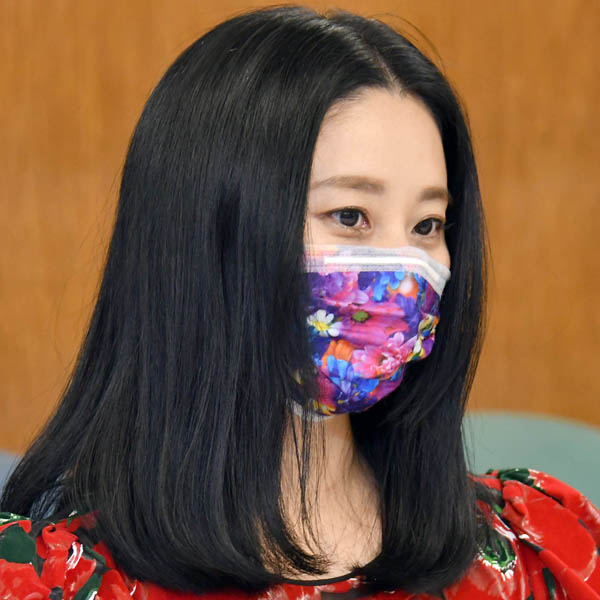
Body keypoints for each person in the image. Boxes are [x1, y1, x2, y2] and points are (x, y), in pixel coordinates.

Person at [1, 5, 599, 599]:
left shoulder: (541, 550)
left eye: (427, 225)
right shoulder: (47, 580)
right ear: (208, 233)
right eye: (350, 216)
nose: (403, 274)